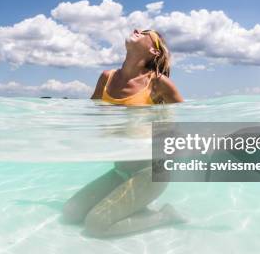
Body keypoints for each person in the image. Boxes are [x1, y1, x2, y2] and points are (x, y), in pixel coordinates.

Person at [61, 29, 186, 237]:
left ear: (154, 51)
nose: (137, 30)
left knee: (96, 225)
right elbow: (91, 116)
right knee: (70, 213)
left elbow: (187, 122)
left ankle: (166, 216)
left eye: (145, 32)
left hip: (151, 173)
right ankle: (135, 206)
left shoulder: (158, 83)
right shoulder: (106, 78)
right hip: (120, 171)